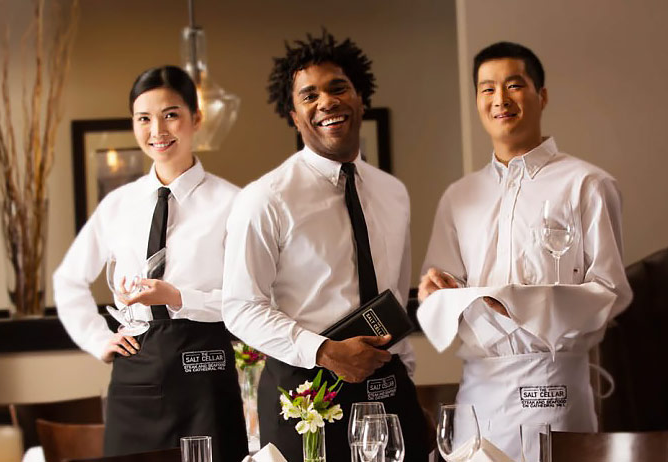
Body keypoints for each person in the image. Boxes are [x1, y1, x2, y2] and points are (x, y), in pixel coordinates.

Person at [417, 41, 632, 459]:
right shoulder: (458, 197)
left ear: (541, 95)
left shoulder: (588, 184)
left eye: (513, 85)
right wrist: (434, 291)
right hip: (479, 399)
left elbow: (611, 290)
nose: (500, 99)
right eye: (487, 89)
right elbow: (439, 288)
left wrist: (524, 301)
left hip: (556, 392)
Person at [222, 31, 428, 461]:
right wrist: (325, 352)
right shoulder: (265, 198)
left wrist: (407, 382)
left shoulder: (394, 193)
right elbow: (239, 307)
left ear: (360, 99)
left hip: (390, 394)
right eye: (309, 95)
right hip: (304, 397)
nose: (326, 102)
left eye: (338, 88)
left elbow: (394, 298)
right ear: (294, 116)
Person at [53, 65, 247, 461]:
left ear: (196, 118)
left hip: (205, 377)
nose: (157, 130)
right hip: (134, 381)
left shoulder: (235, 204)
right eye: (144, 118)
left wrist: (179, 296)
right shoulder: (119, 205)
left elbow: (252, 298)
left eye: (170, 114)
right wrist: (97, 339)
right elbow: (68, 280)